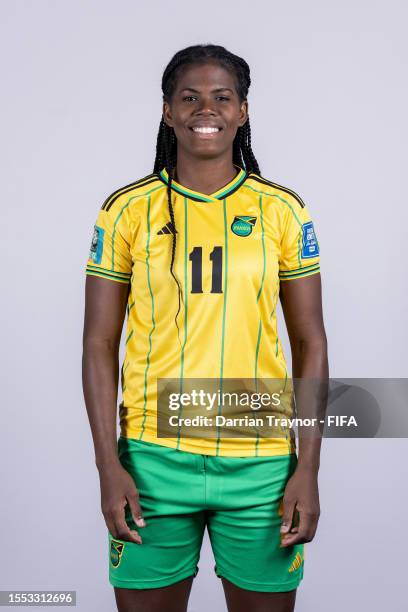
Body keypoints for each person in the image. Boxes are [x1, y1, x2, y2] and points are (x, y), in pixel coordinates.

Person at [82, 44, 328, 612]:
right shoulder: (126, 211)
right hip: (150, 463)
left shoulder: (282, 211)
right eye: (189, 98)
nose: (204, 110)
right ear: (167, 110)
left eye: (222, 98)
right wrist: (108, 466)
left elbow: (311, 342)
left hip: (261, 462)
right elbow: (98, 343)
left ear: (243, 111)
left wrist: (308, 469)